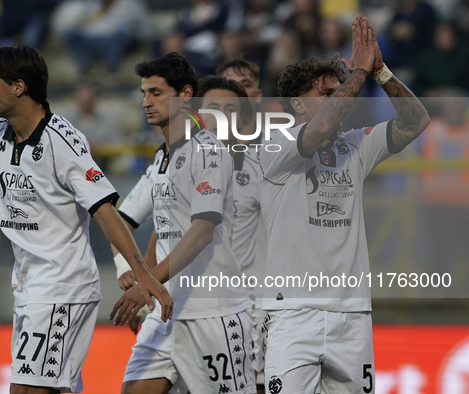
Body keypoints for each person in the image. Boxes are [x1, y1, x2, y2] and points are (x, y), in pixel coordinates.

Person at [0, 44, 173, 394]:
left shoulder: (64, 142)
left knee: (27, 390)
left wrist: (143, 273)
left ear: (18, 87)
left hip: (63, 285)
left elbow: (105, 210)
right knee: (58, 389)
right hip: (29, 286)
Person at [258, 16, 429, 392]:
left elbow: (417, 122)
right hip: (292, 313)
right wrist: (360, 73)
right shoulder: (274, 143)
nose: (342, 98)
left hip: (352, 314)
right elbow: (318, 129)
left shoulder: (356, 143)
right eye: (328, 92)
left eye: (342, 90)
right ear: (298, 104)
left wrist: (380, 73)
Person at [111, 52, 255, 394]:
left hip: (213, 312)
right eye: (144, 93)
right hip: (165, 311)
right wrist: (124, 267)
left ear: (186, 95)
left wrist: (146, 281)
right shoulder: (161, 159)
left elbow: (202, 231)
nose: (146, 102)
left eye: (156, 93)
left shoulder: (209, 151)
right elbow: (119, 222)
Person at [215, 59, 267, 394]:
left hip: (259, 302)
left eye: (243, 85)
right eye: (227, 86)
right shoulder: (194, 153)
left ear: (257, 96)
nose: (235, 93)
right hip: (209, 301)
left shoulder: (277, 152)